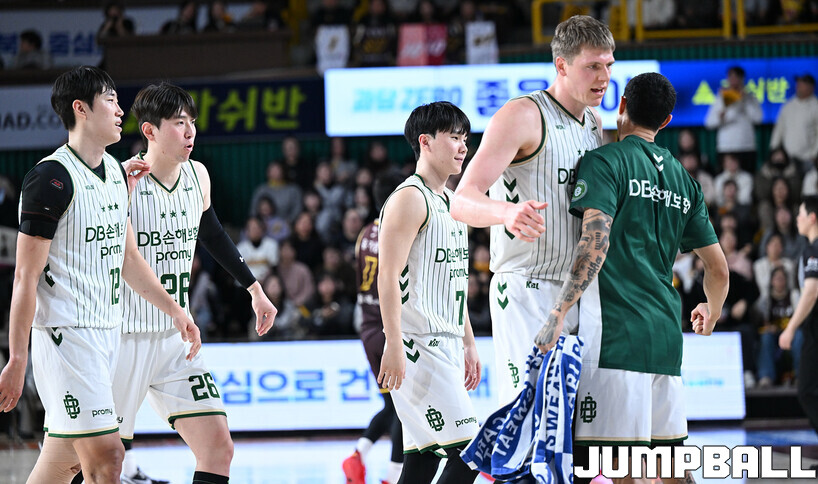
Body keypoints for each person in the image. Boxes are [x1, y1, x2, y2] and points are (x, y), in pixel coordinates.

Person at [0, 66, 199, 484]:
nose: (120, 110)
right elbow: (25, 277)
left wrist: (175, 310)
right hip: (66, 337)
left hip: (107, 335)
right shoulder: (50, 178)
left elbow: (129, 260)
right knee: (108, 456)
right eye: (110, 100)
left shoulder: (115, 172)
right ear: (81, 109)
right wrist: (18, 358)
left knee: (64, 462)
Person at [533, 72, 729, 483]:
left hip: (616, 340)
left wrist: (558, 311)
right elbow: (718, 269)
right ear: (667, 121)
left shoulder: (605, 161)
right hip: (666, 339)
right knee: (670, 463)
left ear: (621, 105)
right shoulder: (686, 181)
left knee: (613, 467)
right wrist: (711, 311)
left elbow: (594, 243)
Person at [115, 82, 277, 484]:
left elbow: (213, 234)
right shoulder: (119, 182)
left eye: (192, 123)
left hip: (177, 340)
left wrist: (254, 288)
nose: (190, 132)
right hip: (123, 337)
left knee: (218, 448)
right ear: (150, 131)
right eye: (178, 123)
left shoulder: (197, 175)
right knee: (97, 461)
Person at [451, 14, 615, 405]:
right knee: (529, 417)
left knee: (576, 425)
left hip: (578, 291)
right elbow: (461, 199)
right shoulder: (523, 115)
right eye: (592, 66)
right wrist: (506, 213)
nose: (604, 77)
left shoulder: (594, 123)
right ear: (562, 66)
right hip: (528, 287)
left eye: (609, 65)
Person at [377, 101, 481, 484]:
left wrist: (468, 342)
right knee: (472, 453)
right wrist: (393, 343)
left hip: (446, 342)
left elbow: (455, 280)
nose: (463, 147)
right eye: (454, 137)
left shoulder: (451, 202)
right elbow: (387, 275)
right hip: (418, 344)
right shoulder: (409, 198)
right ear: (426, 142)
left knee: (421, 462)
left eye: (465, 138)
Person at [342, 170, 405, 484]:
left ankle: (357, 456)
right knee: (403, 409)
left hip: (367, 330)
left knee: (392, 406)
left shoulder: (365, 232)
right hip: (388, 329)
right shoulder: (397, 230)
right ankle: (392, 476)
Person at [780, 196, 818, 447]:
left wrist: (790, 329)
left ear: (812, 218)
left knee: (807, 390)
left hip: (815, 328)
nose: (797, 219)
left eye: (801, 214)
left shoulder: (813, 250)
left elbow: (812, 291)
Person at [704, 65, 763, 172]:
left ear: (742, 79)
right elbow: (709, 123)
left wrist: (744, 100)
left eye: (737, 78)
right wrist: (722, 116)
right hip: (726, 147)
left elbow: (758, 119)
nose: (734, 81)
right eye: (731, 77)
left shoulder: (750, 97)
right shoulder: (721, 98)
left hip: (747, 147)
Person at [770, 74, 818, 172]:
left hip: (808, 158)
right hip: (788, 157)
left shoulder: (815, 106)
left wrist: (814, 154)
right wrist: (774, 149)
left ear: (811, 87)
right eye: (798, 83)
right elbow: (779, 129)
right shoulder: (788, 105)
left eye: (802, 83)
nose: (798, 86)